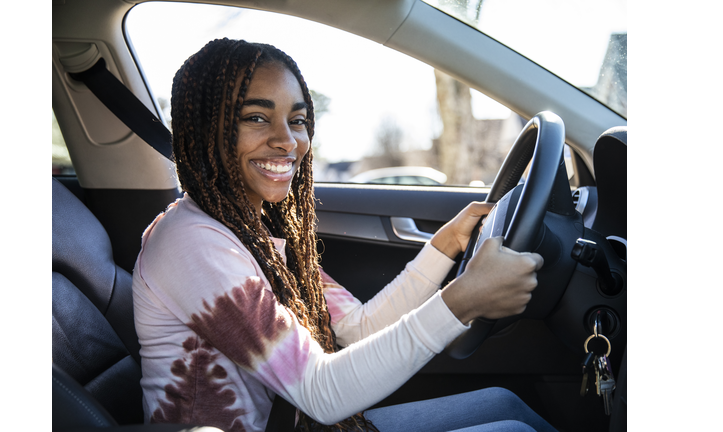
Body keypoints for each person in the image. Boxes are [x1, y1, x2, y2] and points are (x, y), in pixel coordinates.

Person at [132, 38, 554, 432]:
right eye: (256, 118)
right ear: (205, 129)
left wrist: (443, 246)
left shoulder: (251, 230)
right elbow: (320, 392)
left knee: (505, 406)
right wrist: (464, 300)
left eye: (297, 120)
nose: (288, 141)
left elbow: (354, 329)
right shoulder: (193, 242)